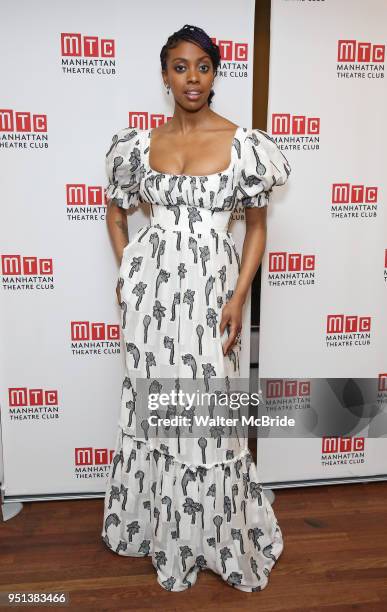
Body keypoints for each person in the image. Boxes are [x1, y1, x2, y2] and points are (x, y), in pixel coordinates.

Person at [101, 24, 291, 593]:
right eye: (180, 67)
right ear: (165, 75)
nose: (192, 78)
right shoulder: (138, 145)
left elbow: (255, 229)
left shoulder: (243, 145)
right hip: (151, 303)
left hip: (213, 296)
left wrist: (239, 297)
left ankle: (215, 537)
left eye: (203, 67)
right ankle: (161, 531)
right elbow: (116, 212)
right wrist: (127, 270)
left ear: (214, 74)